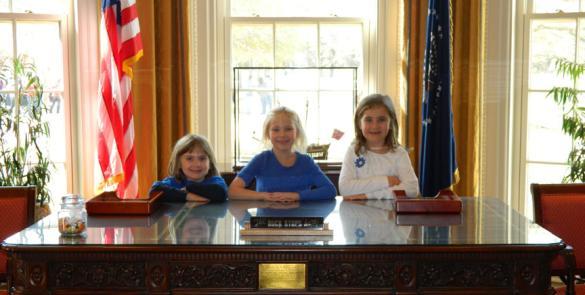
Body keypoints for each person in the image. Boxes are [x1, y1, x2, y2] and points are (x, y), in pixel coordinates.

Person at [228, 106, 337, 201]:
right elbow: (233, 191)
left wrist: (297, 196)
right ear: (267, 133)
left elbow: (330, 190)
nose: (282, 134)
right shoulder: (261, 160)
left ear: (297, 132)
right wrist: (264, 196)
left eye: (288, 129)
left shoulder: (306, 162)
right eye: (276, 129)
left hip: (300, 222)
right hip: (266, 223)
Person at [339, 94, 419, 200]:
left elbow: (412, 189)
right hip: (358, 215)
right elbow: (345, 189)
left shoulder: (399, 154)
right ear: (359, 123)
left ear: (390, 123)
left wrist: (368, 196)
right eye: (368, 120)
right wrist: (387, 181)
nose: (374, 126)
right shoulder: (353, 152)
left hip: (390, 216)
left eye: (381, 119)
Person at [150, 134, 227, 202]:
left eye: (202, 158)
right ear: (179, 163)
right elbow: (154, 190)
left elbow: (221, 193)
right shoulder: (174, 182)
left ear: (210, 163)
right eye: (189, 158)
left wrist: (188, 189)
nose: (197, 164)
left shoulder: (216, 182)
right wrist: (186, 196)